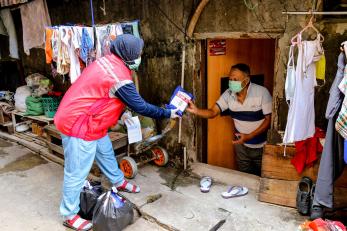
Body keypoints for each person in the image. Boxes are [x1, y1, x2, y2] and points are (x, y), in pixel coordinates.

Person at [54, 34, 179, 231]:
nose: (140, 56)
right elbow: (141, 106)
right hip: (79, 124)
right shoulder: (118, 75)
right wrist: (167, 112)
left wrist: (117, 114)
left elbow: (105, 94)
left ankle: (118, 181)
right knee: (76, 172)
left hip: (92, 121)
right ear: (128, 54)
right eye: (138, 53)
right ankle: (69, 215)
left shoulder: (109, 61)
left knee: (105, 152)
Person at [187, 63, 272, 176]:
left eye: (235, 79)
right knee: (244, 177)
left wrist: (249, 136)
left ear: (246, 81)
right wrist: (197, 111)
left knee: (263, 178)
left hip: (262, 147)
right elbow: (213, 112)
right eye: (230, 79)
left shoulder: (262, 92)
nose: (231, 82)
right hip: (241, 147)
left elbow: (268, 120)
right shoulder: (228, 94)